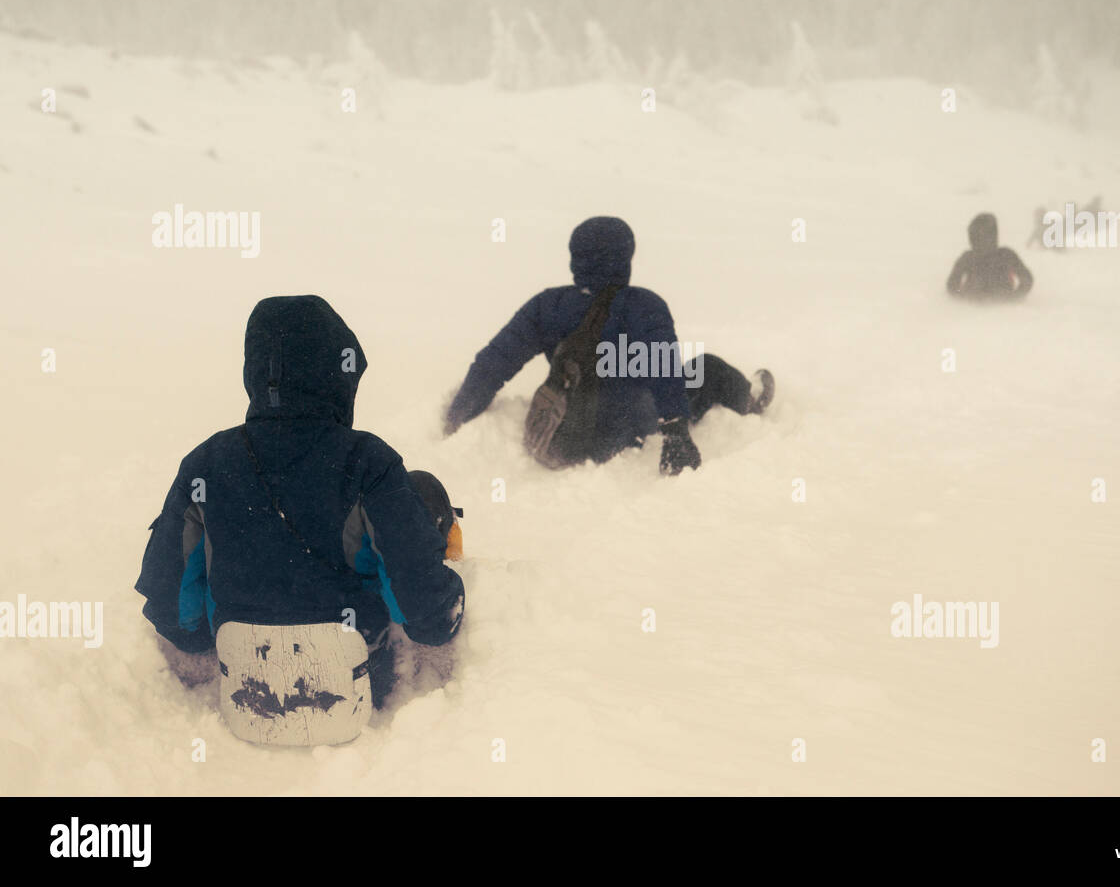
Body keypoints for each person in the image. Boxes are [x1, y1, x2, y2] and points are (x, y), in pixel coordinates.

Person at [135, 295, 464, 708]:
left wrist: (209, 632)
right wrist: (446, 594)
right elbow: (429, 619)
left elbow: (171, 609)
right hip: (358, 680)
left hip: (243, 682)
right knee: (421, 489)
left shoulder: (206, 462)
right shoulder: (369, 461)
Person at [443, 216, 774, 474]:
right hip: (627, 433)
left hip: (564, 434)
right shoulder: (644, 305)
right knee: (707, 367)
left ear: (575, 261)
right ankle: (750, 399)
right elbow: (665, 371)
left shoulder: (547, 305)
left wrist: (458, 416)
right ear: (626, 259)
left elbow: (494, 362)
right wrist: (677, 436)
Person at [947, 213, 1034, 299]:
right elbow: (952, 285)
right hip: (979, 305)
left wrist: (1014, 298)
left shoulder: (1005, 255)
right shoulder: (1005, 255)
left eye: (983, 236)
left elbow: (1027, 279)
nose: (980, 241)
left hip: (993, 305)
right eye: (976, 237)